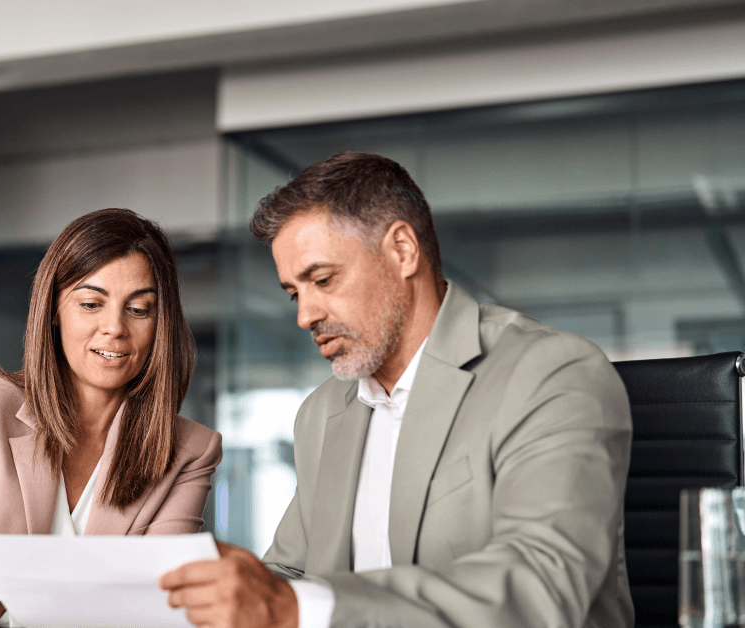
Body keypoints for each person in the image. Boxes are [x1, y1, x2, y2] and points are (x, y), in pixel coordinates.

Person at [159, 152, 633, 628]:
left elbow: (541, 586)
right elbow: (290, 574)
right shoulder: (322, 414)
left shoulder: (549, 373)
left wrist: (295, 607)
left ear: (403, 250)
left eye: (323, 279)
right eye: (293, 293)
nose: (305, 315)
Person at [0, 208, 223, 628]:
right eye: (90, 304)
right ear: (54, 311)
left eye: (139, 309)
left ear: (161, 323)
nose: (114, 328)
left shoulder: (191, 451)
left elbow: (159, 600)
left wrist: (12, 595)